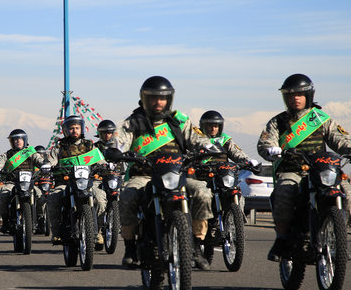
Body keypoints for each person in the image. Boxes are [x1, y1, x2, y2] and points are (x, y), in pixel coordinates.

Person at [257, 73, 351, 261]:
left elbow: (339, 138)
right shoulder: (277, 122)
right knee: (284, 193)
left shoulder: (320, 118)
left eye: (300, 94)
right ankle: (282, 240)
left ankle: (340, 240)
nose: (295, 98)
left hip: (320, 169)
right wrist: (271, 149)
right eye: (291, 94)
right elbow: (265, 142)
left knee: (349, 194)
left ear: (308, 95)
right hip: (292, 170)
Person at [113, 76, 214, 270]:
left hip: (176, 174)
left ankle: (197, 245)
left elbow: (197, 138)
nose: (158, 102)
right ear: (144, 98)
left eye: (162, 98)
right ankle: (130, 246)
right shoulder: (133, 122)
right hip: (144, 176)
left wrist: (207, 146)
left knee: (202, 192)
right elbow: (119, 140)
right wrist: (115, 149)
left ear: (169, 99)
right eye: (153, 98)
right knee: (128, 195)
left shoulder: (179, 120)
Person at [194, 110, 259, 247]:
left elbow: (237, 153)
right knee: (202, 195)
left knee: (237, 191)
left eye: (216, 125)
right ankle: (200, 230)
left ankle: (237, 221)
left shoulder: (225, 140)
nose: (213, 128)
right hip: (204, 177)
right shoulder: (196, 138)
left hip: (223, 175)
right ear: (203, 126)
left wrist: (249, 161)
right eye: (210, 125)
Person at [46, 115, 107, 246]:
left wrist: (105, 166)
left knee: (101, 199)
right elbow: (51, 162)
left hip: (87, 183)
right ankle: (56, 233)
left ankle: (98, 232)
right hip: (65, 183)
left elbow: (101, 161)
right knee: (53, 198)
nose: (75, 131)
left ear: (82, 129)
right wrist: (47, 166)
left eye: (77, 128)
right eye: (72, 128)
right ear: (66, 130)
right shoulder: (59, 147)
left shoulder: (89, 146)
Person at [0, 129, 44, 233]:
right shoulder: (7, 154)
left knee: (40, 195)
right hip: (12, 183)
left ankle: (41, 219)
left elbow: (40, 160)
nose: (17, 141)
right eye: (15, 140)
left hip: (29, 182)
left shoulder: (31, 153)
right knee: (4, 194)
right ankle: (5, 221)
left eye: (20, 139)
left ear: (24, 140)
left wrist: (44, 165)